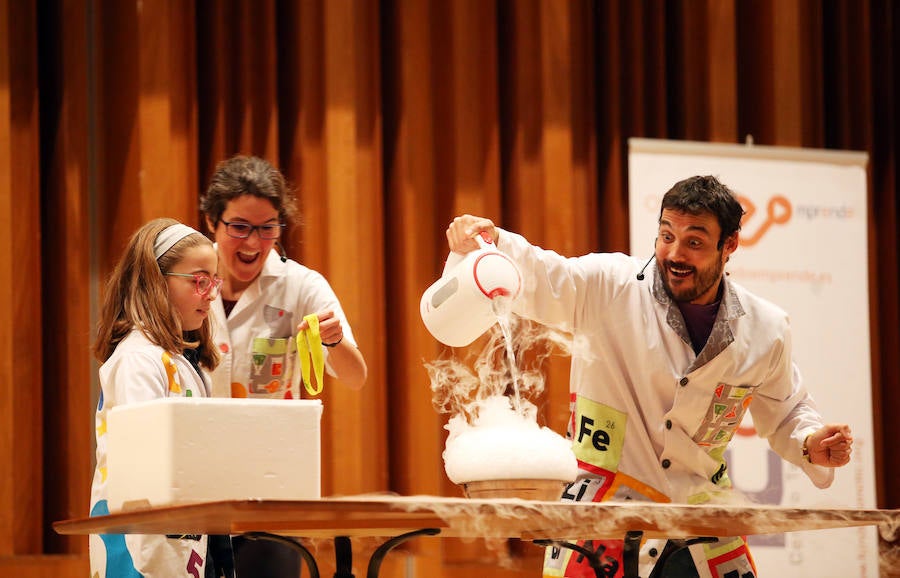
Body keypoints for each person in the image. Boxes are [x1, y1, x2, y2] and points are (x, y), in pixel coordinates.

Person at [445, 175, 853, 578]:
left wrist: (810, 442)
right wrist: (491, 241)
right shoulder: (609, 285)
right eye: (666, 236)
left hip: (699, 509)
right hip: (601, 502)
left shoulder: (765, 328)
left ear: (729, 246)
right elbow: (542, 274)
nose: (675, 253)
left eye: (694, 242)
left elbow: (787, 411)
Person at [200, 154, 367, 576]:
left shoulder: (301, 286)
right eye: (239, 227)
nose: (253, 244)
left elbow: (355, 375)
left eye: (267, 228)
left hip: (270, 488)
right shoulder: (188, 284)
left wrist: (333, 339)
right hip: (198, 481)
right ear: (211, 222)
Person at [89, 218, 231, 577]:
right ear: (156, 281)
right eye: (200, 280)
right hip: (139, 542)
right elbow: (144, 462)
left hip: (180, 536)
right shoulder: (139, 358)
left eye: (214, 280)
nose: (211, 294)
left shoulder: (183, 360)